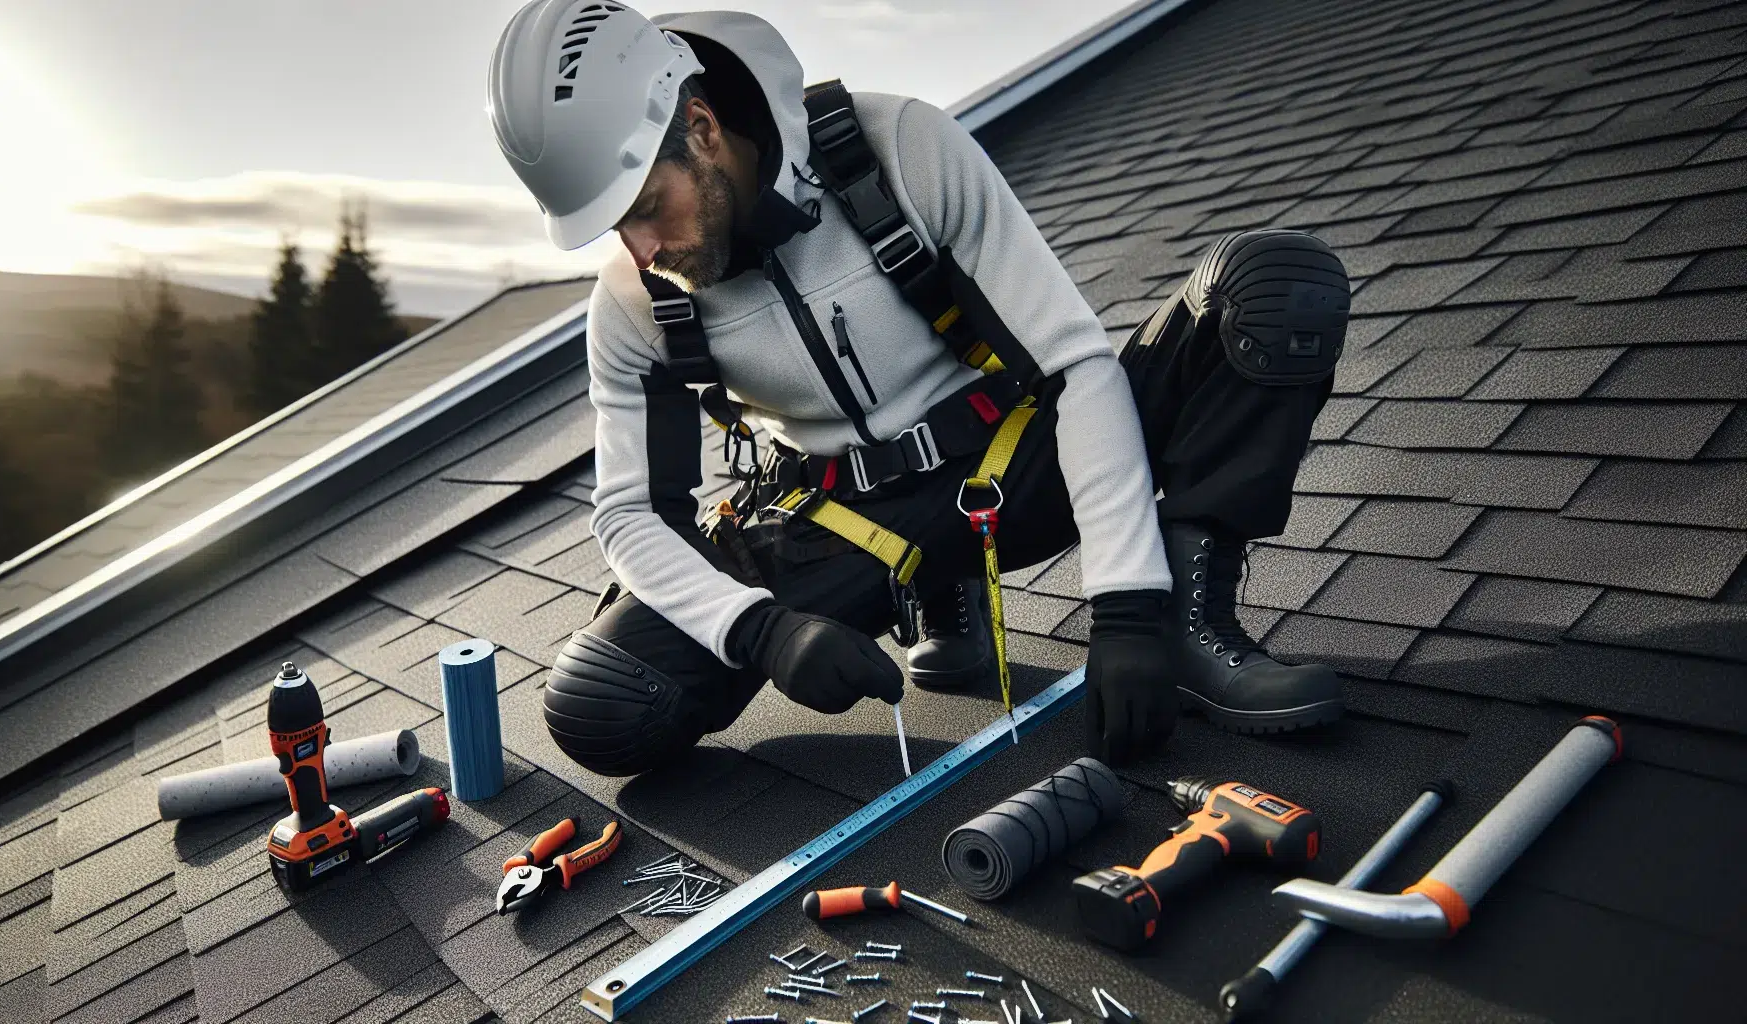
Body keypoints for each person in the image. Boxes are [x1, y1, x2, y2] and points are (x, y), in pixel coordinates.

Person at [486, 1, 1351, 777]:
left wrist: (1128, 604)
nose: (638, 251)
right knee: (603, 704)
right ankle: (943, 592)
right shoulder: (635, 303)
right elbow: (630, 515)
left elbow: (1073, 366)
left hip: (1014, 467)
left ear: (703, 128)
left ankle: (1189, 623)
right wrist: (760, 628)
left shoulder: (899, 149)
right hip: (847, 524)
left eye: (644, 205)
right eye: (612, 227)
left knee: (1274, 285)